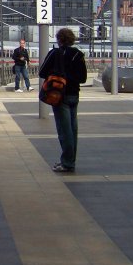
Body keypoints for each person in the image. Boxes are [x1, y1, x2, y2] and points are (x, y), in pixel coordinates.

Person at [39, 27, 88, 173]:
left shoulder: (55, 53)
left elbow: (42, 72)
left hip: (59, 95)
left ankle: (67, 163)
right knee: (73, 129)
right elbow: (83, 78)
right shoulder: (78, 55)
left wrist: (59, 75)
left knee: (64, 130)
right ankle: (70, 161)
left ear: (59, 39)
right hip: (74, 95)